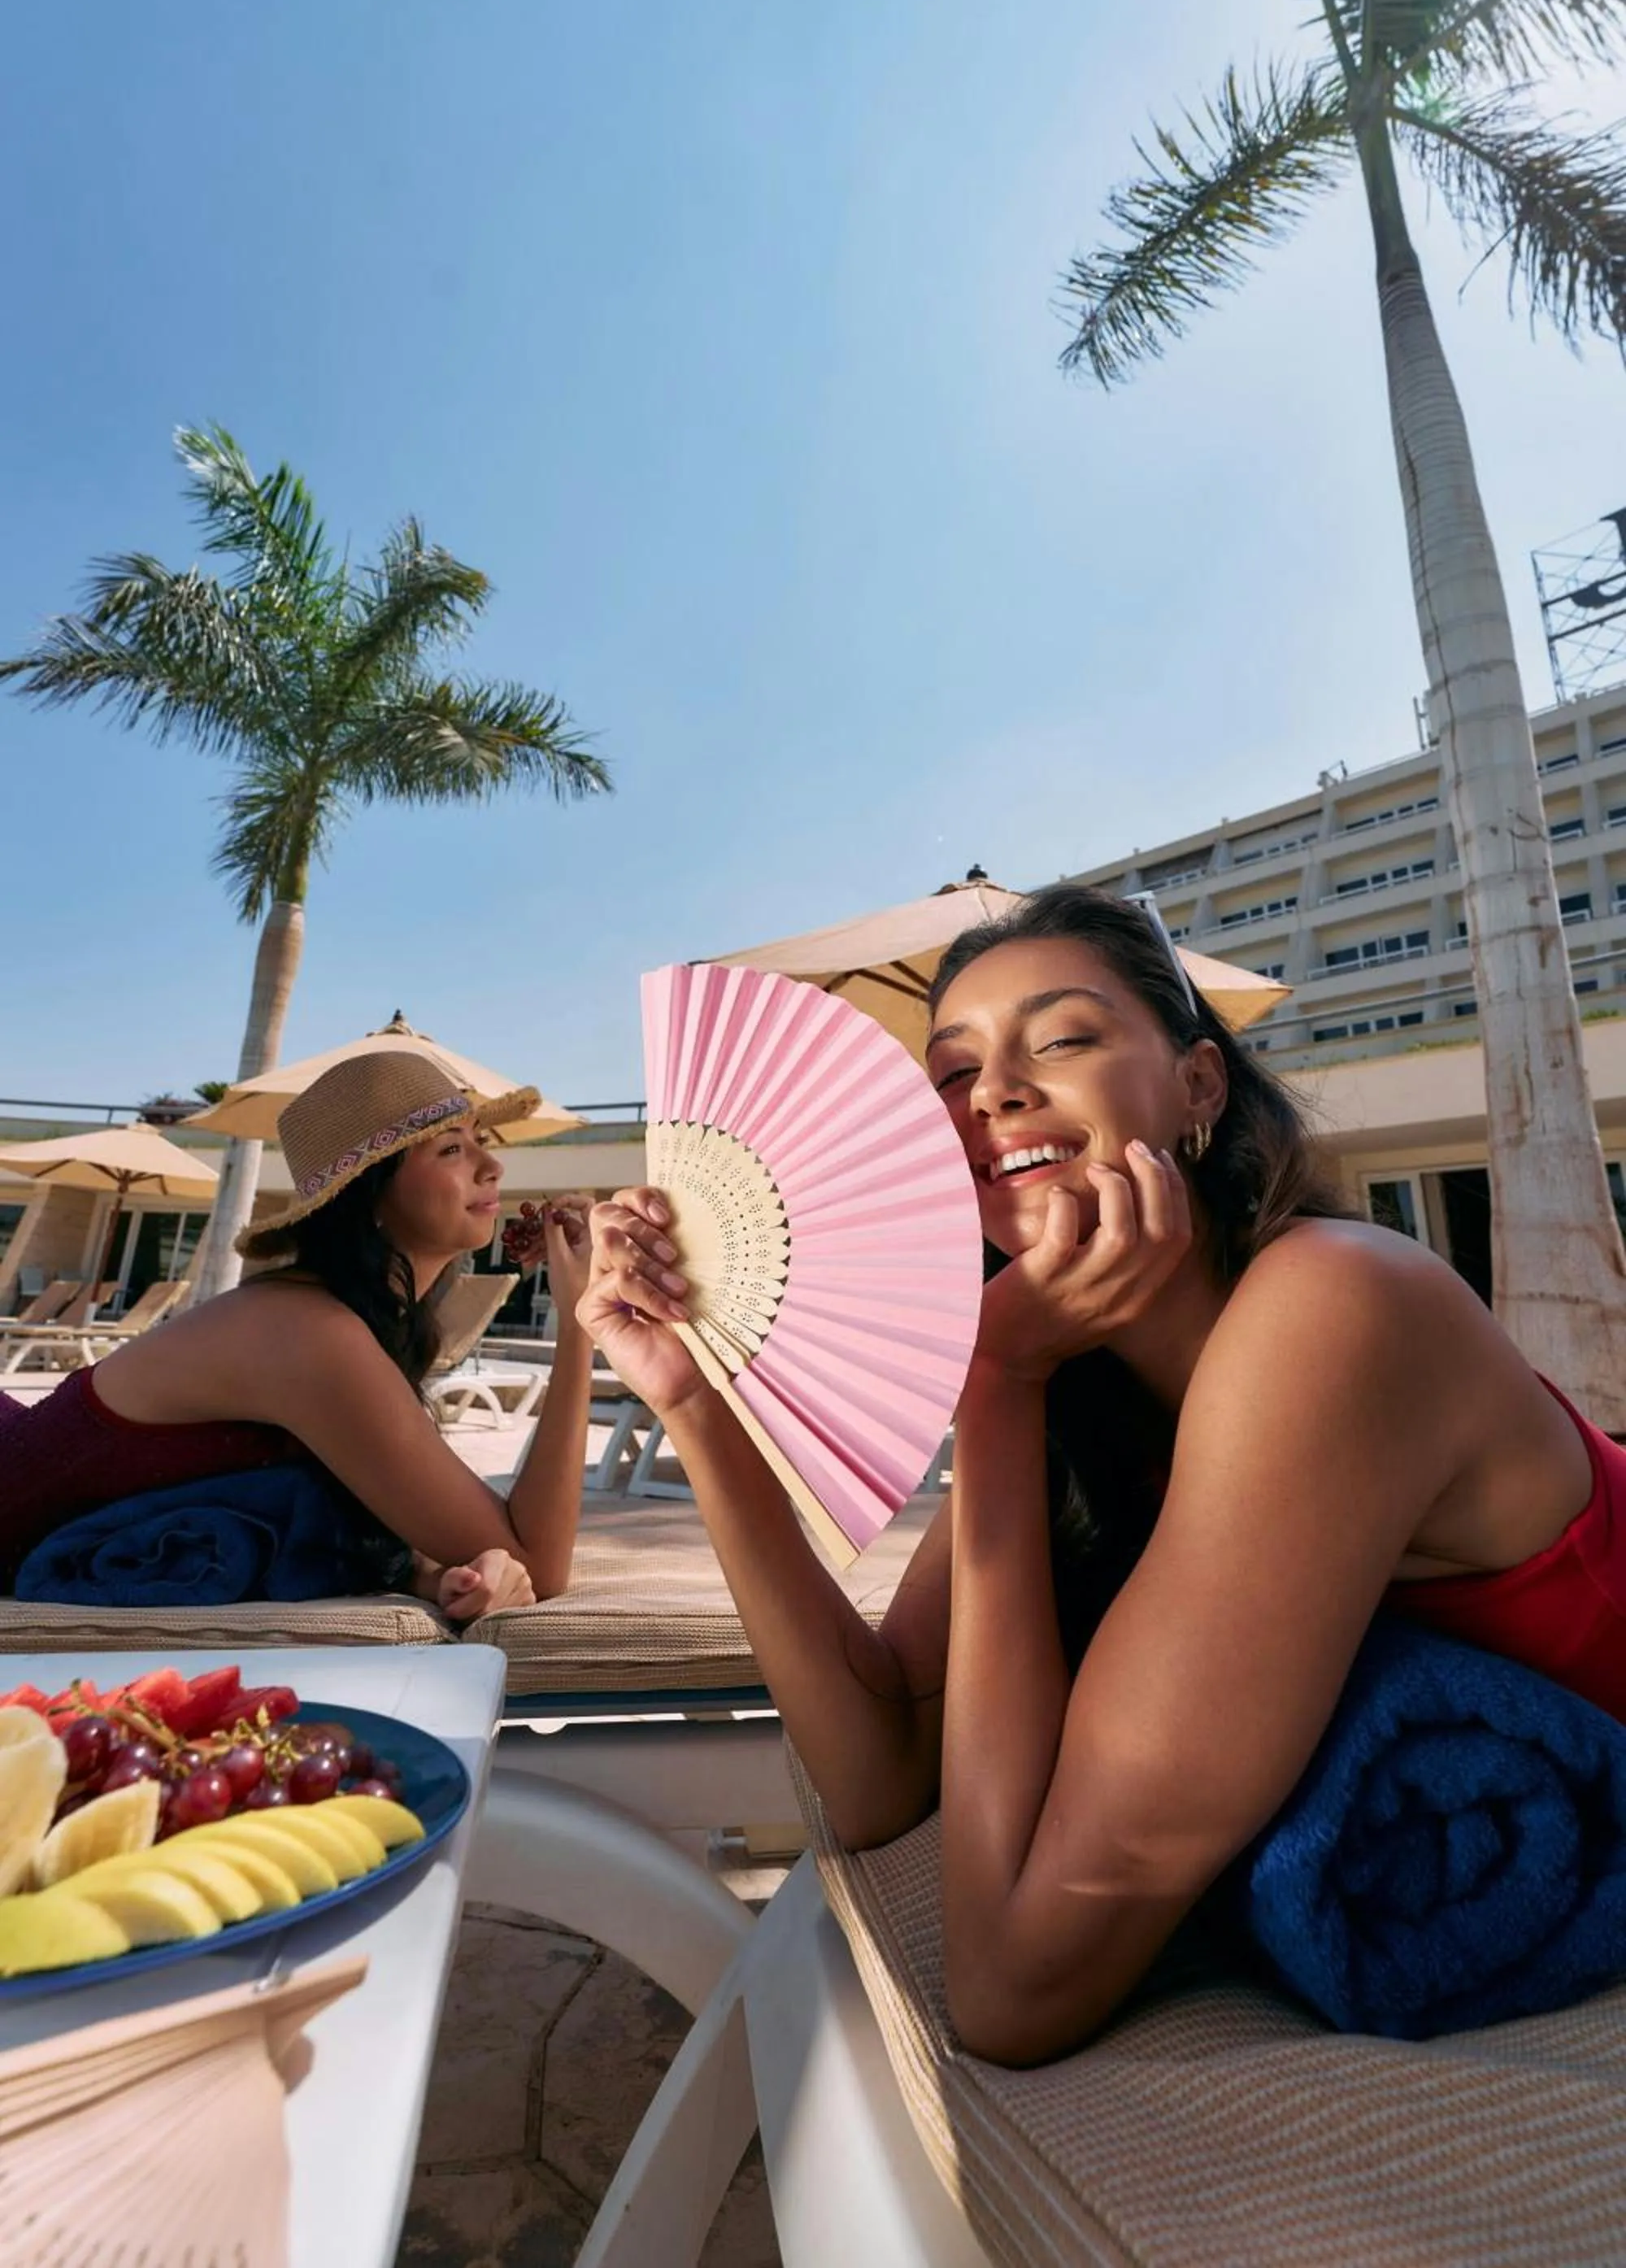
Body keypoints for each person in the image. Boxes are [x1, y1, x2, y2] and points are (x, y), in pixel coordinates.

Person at [576, 884, 1626, 2065]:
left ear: (1198, 1088)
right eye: (952, 1074)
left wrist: (994, 1379)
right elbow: (873, 1774)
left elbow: (1012, 1988)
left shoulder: (1334, 1303)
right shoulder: (1079, 1382)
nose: (994, 1096)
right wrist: (691, 1403)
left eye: (1064, 1039)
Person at [0, 1049, 594, 1618]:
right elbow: (540, 1566)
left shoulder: (343, 1319)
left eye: (480, 1144)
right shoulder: (309, 1334)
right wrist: (580, 1319)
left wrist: (429, 1571)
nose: (493, 1167)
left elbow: (422, 1517)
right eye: (451, 1149)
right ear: (369, 1196)